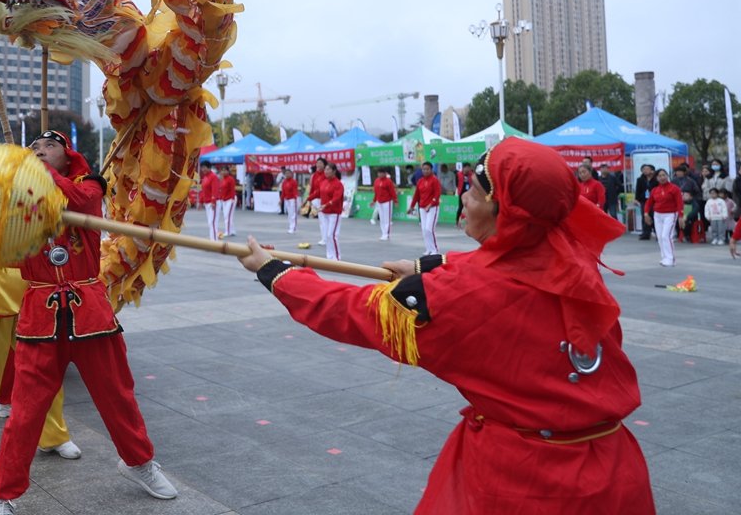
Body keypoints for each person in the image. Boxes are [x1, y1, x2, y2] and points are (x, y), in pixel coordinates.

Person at [237, 138, 655, 514]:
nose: (464, 199)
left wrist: (275, 272)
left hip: (528, 484)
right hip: (615, 475)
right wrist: (427, 267)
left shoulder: (463, 296)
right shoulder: (571, 260)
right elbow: (510, 264)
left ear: (505, 210)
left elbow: (350, 311)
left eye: (473, 191)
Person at [0, 130, 175, 513]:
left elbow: (84, 200)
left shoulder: (88, 186)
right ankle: (5, 494)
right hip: (39, 316)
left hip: (90, 312)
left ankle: (139, 464)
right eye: (33, 149)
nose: (38, 152)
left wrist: (39, 173)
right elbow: (4, 251)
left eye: (48, 147)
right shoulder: (21, 201)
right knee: (25, 412)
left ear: (68, 157)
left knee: (117, 397)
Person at [643, 168, 684, 266]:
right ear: (656, 178)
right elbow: (649, 202)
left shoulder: (674, 188)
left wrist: (681, 216)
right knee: (660, 237)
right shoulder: (655, 190)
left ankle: (671, 259)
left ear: (667, 176)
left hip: (670, 214)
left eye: (664, 175)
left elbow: (680, 203)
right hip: (657, 215)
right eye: (660, 176)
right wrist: (646, 213)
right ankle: (664, 257)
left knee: (666, 236)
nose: (662, 177)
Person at [409, 161, 442, 255]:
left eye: (427, 169)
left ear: (431, 170)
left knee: (429, 229)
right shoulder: (420, 181)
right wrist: (411, 207)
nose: (425, 171)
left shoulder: (435, 180)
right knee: (424, 229)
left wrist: (431, 204)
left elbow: (437, 195)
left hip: (432, 208)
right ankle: (429, 248)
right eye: (424, 169)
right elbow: (416, 195)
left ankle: (435, 249)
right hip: (422, 208)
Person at [318, 163, 344, 261]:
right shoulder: (324, 182)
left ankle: (337, 257)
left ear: (334, 171)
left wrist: (327, 204)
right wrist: (308, 199)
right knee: (326, 235)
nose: (326, 171)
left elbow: (336, 198)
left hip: (334, 213)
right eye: (325, 169)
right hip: (325, 212)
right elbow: (318, 193)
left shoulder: (338, 184)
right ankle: (329, 256)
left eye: (328, 170)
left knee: (332, 235)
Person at [373, 167, 399, 241]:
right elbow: (376, 192)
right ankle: (383, 233)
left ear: (385, 174)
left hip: (387, 201)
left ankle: (387, 234)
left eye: (382, 173)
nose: (380, 174)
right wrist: (374, 200)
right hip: (379, 201)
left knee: (387, 218)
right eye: (379, 173)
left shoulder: (388, 181)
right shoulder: (377, 181)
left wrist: (396, 201)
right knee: (382, 218)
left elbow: (392, 192)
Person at [307, 157, 327, 246]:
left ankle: (325, 238)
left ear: (324, 165)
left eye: (320, 163)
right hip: (317, 199)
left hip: (324, 199)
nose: (318, 165)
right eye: (317, 163)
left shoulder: (326, 174)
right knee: (321, 219)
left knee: (324, 219)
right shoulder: (314, 175)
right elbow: (312, 188)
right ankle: (324, 237)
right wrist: (310, 198)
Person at [199, 161, 220, 240]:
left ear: (209, 167)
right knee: (210, 222)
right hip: (207, 203)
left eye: (205, 167)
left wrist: (213, 201)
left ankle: (214, 241)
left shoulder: (213, 176)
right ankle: (212, 237)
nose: (203, 169)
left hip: (213, 203)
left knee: (213, 222)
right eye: (202, 167)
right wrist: (200, 202)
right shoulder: (205, 177)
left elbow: (215, 189)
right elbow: (203, 190)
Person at [635, 164, 656, 240]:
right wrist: (636, 199)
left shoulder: (656, 179)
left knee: (654, 215)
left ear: (652, 170)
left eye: (647, 169)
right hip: (644, 200)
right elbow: (638, 190)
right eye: (644, 169)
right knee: (645, 216)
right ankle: (646, 233)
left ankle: (656, 232)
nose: (645, 171)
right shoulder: (640, 179)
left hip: (654, 200)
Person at [218, 166, 237, 237]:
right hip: (224, 199)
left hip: (230, 199)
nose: (223, 172)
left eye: (225, 170)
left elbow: (232, 189)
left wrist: (232, 198)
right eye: (222, 170)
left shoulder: (230, 179)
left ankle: (228, 231)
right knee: (226, 215)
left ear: (228, 171)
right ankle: (232, 230)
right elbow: (222, 190)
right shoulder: (222, 180)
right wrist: (221, 198)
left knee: (227, 216)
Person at [280, 168, 299, 234]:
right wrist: (281, 200)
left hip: (292, 199)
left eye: (289, 173)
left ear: (291, 174)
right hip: (286, 199)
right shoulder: (284, 182)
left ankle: (293, 228)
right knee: (289, 214)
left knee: (293, 214)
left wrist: (295, 198)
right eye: (286, 173)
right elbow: (283, 192)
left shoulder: (293, 181)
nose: (287, 175)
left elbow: (295, 191)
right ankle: (292, 227)